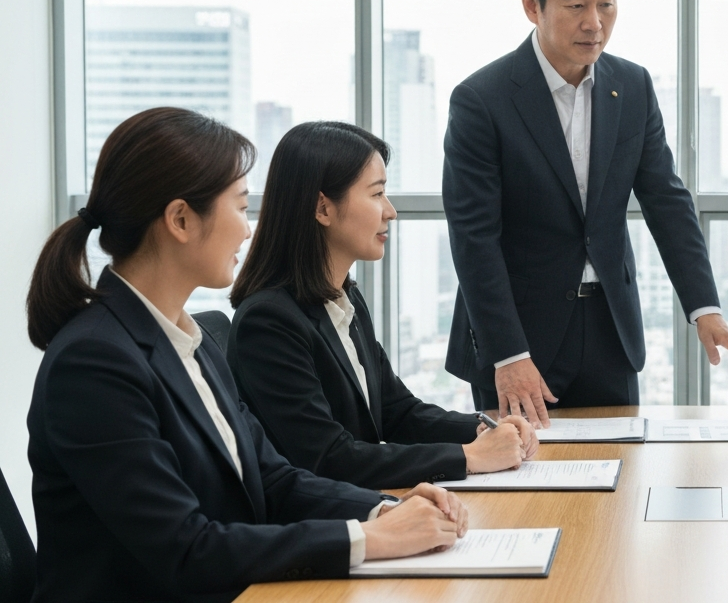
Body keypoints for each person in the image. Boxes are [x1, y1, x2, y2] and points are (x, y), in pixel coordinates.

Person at [25, 108, 468, 602]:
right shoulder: (93, 364)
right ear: (180, 220)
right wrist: (368, 539)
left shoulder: (194, 341)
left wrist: (382, 510)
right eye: (238, 207)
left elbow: (273, 478)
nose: (247, 229)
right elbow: (187, 548)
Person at [442, 0, 728, 424]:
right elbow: (473, 237)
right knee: (519, 492)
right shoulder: (482, 100)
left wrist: (705, 308)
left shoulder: (632, 86)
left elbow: (666, 200)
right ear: (532, 6)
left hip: (611, 331)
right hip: (521, 339)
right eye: (576, 5)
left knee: (619, 484)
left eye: (607, 3)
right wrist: (508, 354)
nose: (595, 22)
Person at [227, 122, 537, 490]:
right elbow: (328, 458)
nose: (390, 212)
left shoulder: (344, 297)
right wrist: (470, 457)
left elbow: (396, 411)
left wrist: (483, 428)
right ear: (322, 208)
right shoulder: (268, 322)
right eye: (377, 194)